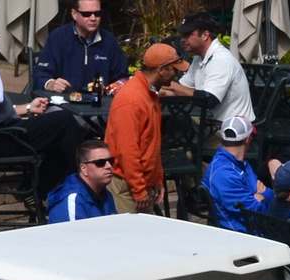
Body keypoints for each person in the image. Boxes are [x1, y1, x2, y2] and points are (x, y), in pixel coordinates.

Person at [0, 23, 82, 195]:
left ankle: (36, 189)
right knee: (64, 121)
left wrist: (27, 107)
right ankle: (71, 188)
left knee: (63, 136)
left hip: (6, 133)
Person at [46, 141, 151, 280]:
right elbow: (71, 251)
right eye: (101, 162)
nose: (109, 167)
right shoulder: (72, 199)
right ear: (84, 168)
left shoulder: (105, 194)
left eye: (110, 161)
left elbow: (113, 239)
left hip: (104, 271)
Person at [105, 42, 184, 213]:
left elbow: (151, 143)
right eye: (174, 70)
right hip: (127, 186)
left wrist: (157, 178)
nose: (177, 75)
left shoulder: (149, 92)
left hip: (140, 184)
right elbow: (127, 151)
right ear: (162, 70)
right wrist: (139, 190)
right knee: (130, 238)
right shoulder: (131, 100)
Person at [168, 12, 252, 124]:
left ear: (205, 35)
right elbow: (182, 87)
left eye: (187, 34)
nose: (182, 39)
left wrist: (174, 87)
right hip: (215, 123)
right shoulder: (199, 58)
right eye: (182, 35)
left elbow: (209, 100)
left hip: (235, 129)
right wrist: (157, 90)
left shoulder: (221, 59)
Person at [33, 0, 126, 96]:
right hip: (63, 103)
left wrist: (115, 86)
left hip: (99, 103)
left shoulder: (109, 41)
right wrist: (51, 84)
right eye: (86, 14)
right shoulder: (57, 37)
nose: (93, 18)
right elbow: (40, 75)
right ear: (74, 14)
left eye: (97, 13)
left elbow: (122, 76)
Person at [203, 114, 274, 232]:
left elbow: (263, 194)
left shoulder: (241, 164)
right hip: (243, 235)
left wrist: (262, 195)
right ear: (248, 139)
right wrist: (263, 195)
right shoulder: (224, 174)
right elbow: (254, 212)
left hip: (254, 228)